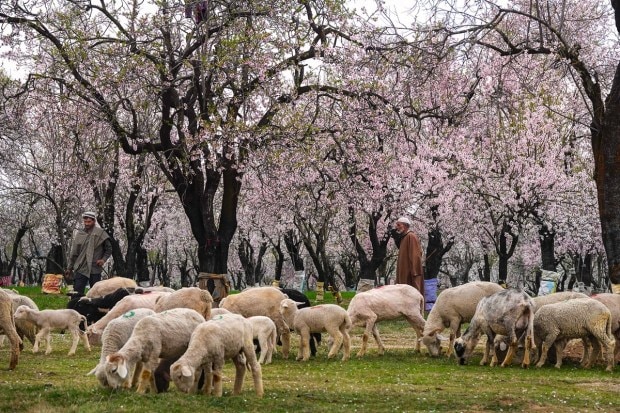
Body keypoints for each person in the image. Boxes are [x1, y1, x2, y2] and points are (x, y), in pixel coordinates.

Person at [65, 211, 113, 296]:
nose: (87, 224)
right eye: (85, 222)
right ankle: (76, 308)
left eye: (89, 222)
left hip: (95, 267)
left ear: (94, 221)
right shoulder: (80, 234)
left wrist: (103, 260)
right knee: (77, 292)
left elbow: (109, 249)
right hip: (81, 267)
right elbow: (74, 253)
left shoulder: (101, 233)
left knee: (96, 293)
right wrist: (69, 268)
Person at [392, 216, 425, 299]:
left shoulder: (411, 236)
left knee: (412, 293)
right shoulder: (404, 237)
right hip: (404, 270)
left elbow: (416, 255)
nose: (397, 227)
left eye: (399, 225)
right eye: (396, 225)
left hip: (410, 272)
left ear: (405, 225)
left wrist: (415, 271)